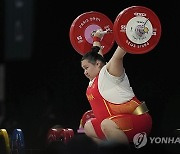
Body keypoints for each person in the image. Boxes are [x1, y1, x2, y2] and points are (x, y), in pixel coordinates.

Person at [80, 29, 152, 145]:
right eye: (83, 69)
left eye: (86, 68)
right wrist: (97, 38)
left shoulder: (111, 74)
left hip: (137, 120)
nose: (85, 72)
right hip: (115, 123)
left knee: (106, 124)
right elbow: (98, 56)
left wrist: (132, 36)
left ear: (97, 64)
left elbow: (117, 56)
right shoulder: (96, 80)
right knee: (88, 126)